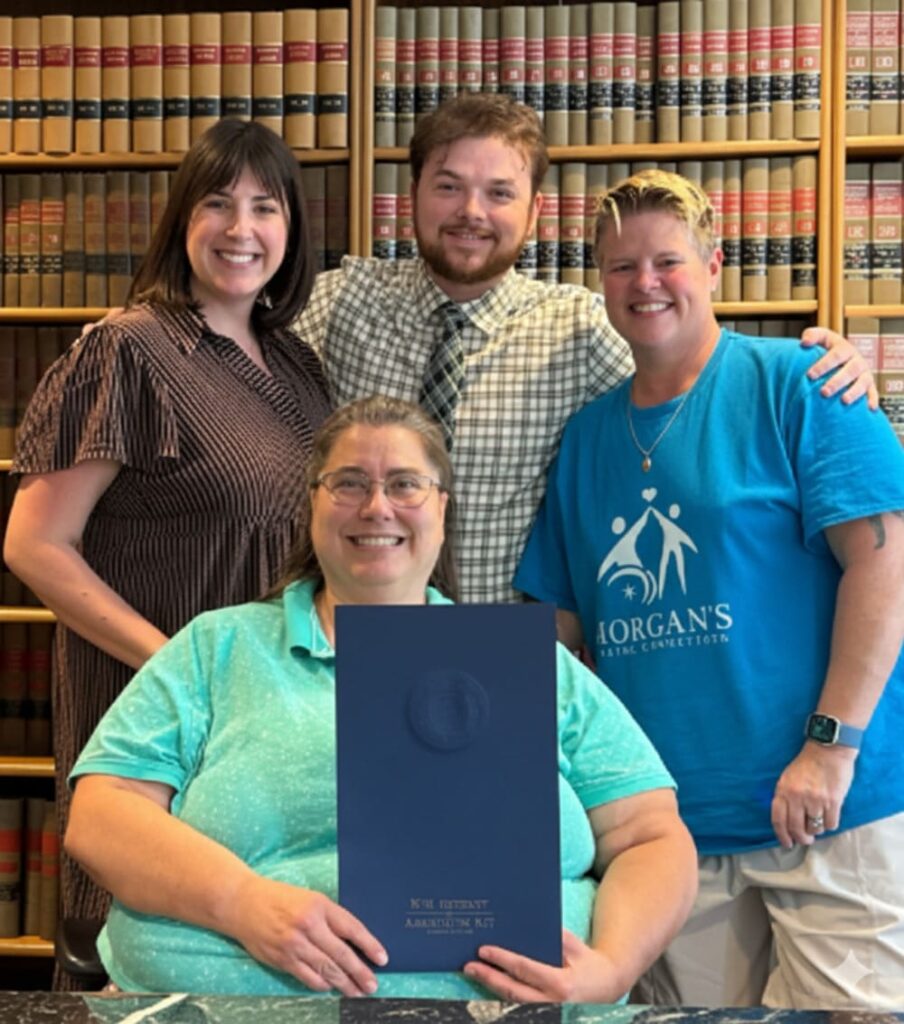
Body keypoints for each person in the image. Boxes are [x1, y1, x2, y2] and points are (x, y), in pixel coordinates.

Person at [63, 395, 697, 1001]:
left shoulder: (529, 663)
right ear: (312, 504)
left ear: (442, 508)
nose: (376, 507)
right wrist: (243, 902)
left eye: (404, 484)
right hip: (222, 1002)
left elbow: (649, 836)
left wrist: (611, 969)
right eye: (348, 483)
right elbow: (101, 814)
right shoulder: (217, 648)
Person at [514, 170, 904, 1009]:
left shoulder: (803, 385)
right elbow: (559, 633)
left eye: (668, 261)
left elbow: (886, 564)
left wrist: (830, 748)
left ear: (715, 265)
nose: (645, 283)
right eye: (621, 267)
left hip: (831, 811)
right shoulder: (585, 439)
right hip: (669, 836)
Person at [296, 91, 877, 605]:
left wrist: (822, 367)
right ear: (413, 193)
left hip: (504, 651)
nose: (471, 212)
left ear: (534, 212)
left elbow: (693, 385)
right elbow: (243, 343)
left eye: (499, 192)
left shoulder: (579, 329)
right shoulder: (342, 300)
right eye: (449, 187)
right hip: (346, 641)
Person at [3, 119, 332, 972]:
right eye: (217, 203)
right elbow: (35, 545)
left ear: (292, 228)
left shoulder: (298, 365)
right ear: (182, 218)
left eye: (265, 207)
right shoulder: (127, 350)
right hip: (158, 720)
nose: (240, 228)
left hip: (268, 725)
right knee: (150, 952)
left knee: (266, 947)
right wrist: (181, 667)